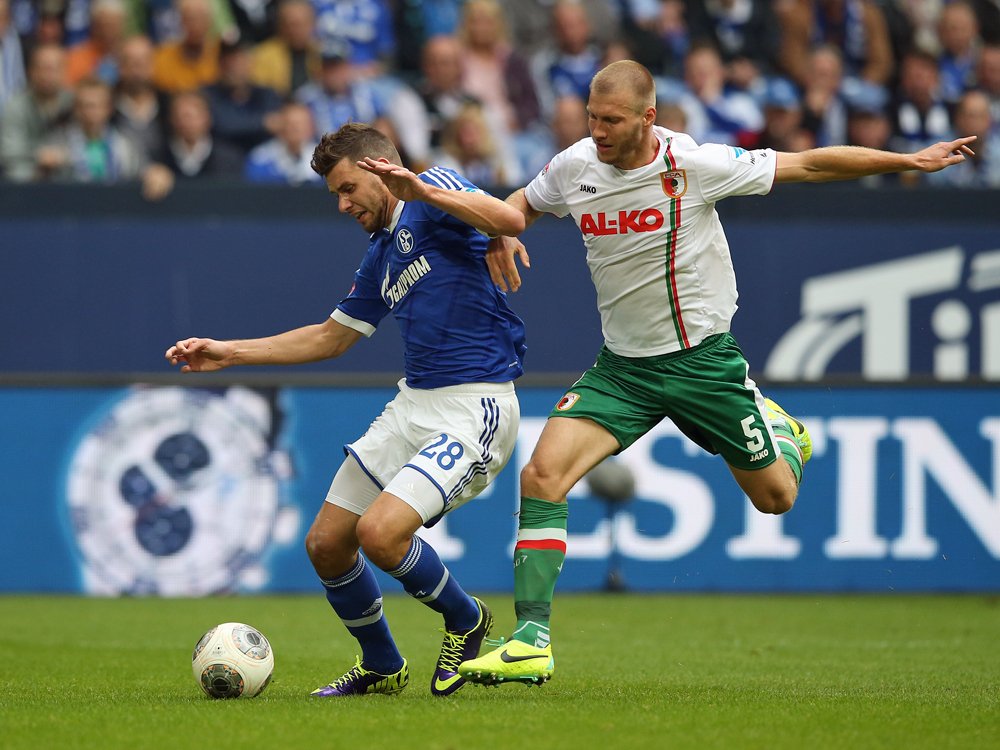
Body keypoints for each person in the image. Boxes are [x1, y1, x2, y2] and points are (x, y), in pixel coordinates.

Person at [457, 59, 976, 687]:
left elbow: (807, 164)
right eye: (592, 117)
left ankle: (782, 430)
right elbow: (524, 200)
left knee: (776, 497)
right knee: (541, 475)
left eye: (611, 120)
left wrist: (908, 161)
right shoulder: (575, 166)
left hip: (702, 365)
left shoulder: (693, 165)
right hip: (622, 369)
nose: (597, 130)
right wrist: (502, 232)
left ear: (649, 119)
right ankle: (531, 640)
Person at [165, 122, 528, 697]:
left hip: (474, 406)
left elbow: (510, 220)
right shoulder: (381, 255)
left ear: (379, 168)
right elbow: (330, 338)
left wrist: (439, 199)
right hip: (415, 404)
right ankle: (383, 666)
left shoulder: (431, 187)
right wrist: (229, 352)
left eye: (346, 188)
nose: (341, 204)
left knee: (382, 534)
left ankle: (466, 618)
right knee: (327, 543)